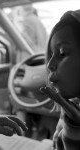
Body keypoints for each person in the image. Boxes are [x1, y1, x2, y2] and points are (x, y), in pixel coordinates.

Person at [14, 9, 80, 150]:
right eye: (50, 55)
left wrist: (74, 127)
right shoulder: (72, 104)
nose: (49, 64)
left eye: (62, 53)